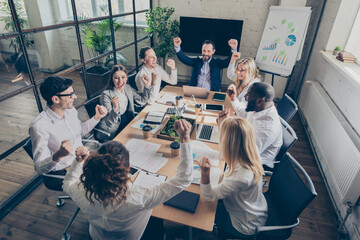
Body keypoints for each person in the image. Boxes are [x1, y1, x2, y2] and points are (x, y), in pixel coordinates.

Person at [63, 119, 194, 240]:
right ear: (128, 167)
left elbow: (67, 184)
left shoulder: (80, 190)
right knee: (157, 218)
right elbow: (184, 179)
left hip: (97, 236)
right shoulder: (140, 197)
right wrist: (184, 138)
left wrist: (78, 161)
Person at [29, 76, 107, 191]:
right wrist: (58, 155)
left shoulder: (71, 111)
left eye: (73, 92)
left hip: (81, 160)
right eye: (70, 95)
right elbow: (40, 167)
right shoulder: (39, 126)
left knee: (111, 171)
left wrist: (96, 118)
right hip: (62, 172)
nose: (74, 97)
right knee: (102, 184)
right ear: (55, 99)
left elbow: (79, 131)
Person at [198, 117, 267, 237]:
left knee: (199, 209)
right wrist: (223, 125)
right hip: (253, 207)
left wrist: (205, 174)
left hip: (243, 223)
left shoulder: (241, 178)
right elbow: (233, 143)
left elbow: (210, 196)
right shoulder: (250, 149)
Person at [224, 82, 282, 170]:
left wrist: (224, 127)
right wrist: (233, 99)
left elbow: (246, 155)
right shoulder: (260, 107)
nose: (245, 97)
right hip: (245, 144)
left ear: (260, 100)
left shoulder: (266, 129)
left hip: (253, 164)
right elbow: (244, 112)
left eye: (248, 95)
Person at [95, 64, 155, 142]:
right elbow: (110, 122)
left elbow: (143, 99)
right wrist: (115, 108)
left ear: (126, 77)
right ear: (112, 79)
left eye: (123, 77)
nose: (120, 81)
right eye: (116, 78)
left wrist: (147, 86)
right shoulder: (106, 95)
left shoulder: (127, 88)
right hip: (111, 130)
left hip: (126, 122)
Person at [173, 37, 238, 91]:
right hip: (194, 91)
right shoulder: (197, 61)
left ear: (213, 51)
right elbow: (184, 59)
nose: (206, 53)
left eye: (208, 51)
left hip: (211, 92)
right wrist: (177, 47)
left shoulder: (217, 63)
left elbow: (228, 62)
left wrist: (233, 49)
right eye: (204, 50)